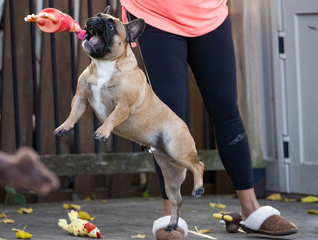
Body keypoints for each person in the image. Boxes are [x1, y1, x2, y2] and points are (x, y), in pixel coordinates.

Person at [119, 0, 298, 238]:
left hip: (209, 14)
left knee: (226, 106)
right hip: (156, 14)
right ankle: (172, 217)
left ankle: (251, 209)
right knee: (169, 116)